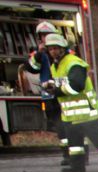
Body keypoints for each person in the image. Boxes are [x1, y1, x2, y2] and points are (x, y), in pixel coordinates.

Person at [42, 34, 98, 172]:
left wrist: (56, 91)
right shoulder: (55, 66)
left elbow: (77, 85)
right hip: (71, 112)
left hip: (85, 109)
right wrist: (50, 85)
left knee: (97, 138)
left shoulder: (73, 63)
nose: (53, 51)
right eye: (50, 49)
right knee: (74, 141)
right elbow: (62, 82)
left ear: (63, 48)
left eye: (56, 48)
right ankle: (77, 166)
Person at [25, 22, 68, 164]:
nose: (45, 38)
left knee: (71, 124)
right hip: (49, 95)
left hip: (63, 92)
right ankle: (67, 155)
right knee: (59, 126)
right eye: (42, 35)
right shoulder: (38, 54)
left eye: (47, 34)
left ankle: (79, 155)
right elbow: (31, 68)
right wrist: (39, 54)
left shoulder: (64, 50)